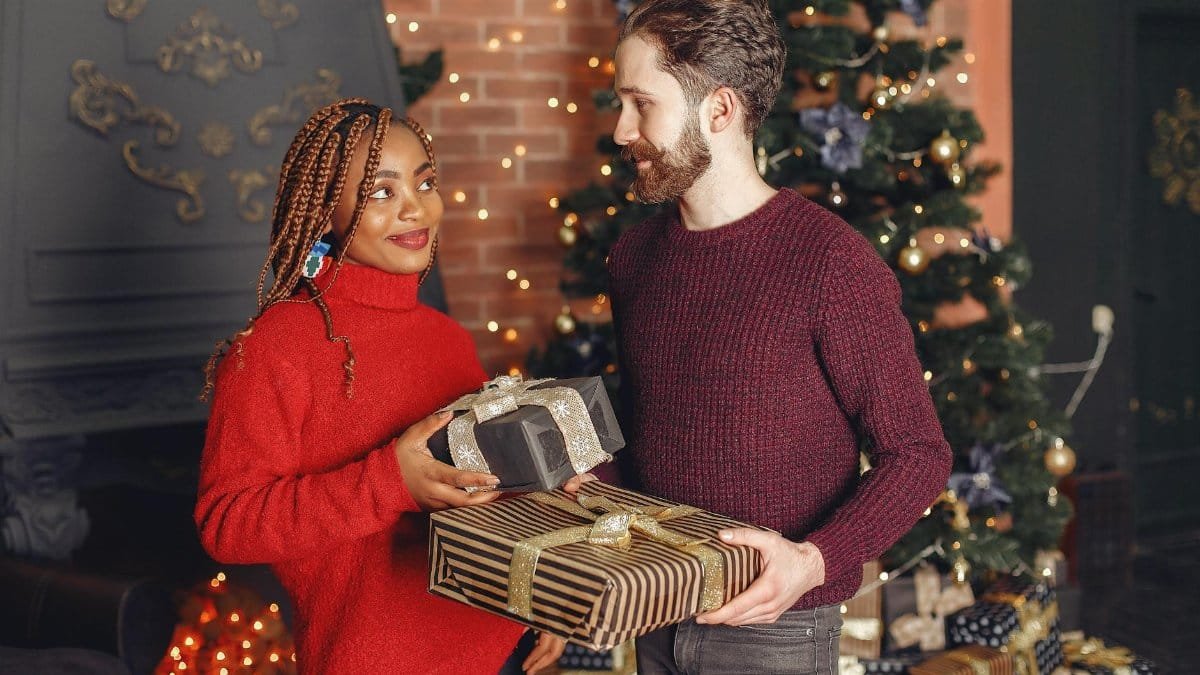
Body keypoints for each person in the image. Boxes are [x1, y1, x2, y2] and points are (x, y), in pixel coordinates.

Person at [568, 1, 954, 673]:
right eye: (618, 103)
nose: (622, 128)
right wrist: (590, 480)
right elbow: (653, 430)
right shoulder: (632, 258)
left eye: (640, 103)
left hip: (778, 629)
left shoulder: (831, 262)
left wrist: (813, 560)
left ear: (719, 111)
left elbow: (918, 453)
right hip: (654, 610)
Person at [195, 98, 564, 674]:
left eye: (425, 183)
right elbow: (228, 523)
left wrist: (537, 593)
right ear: (325, 211)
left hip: (498, 652)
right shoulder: (274, 347)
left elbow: (484, 490)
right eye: (381, 192)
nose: (415, 209)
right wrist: (390, 481)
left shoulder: (449, 340)